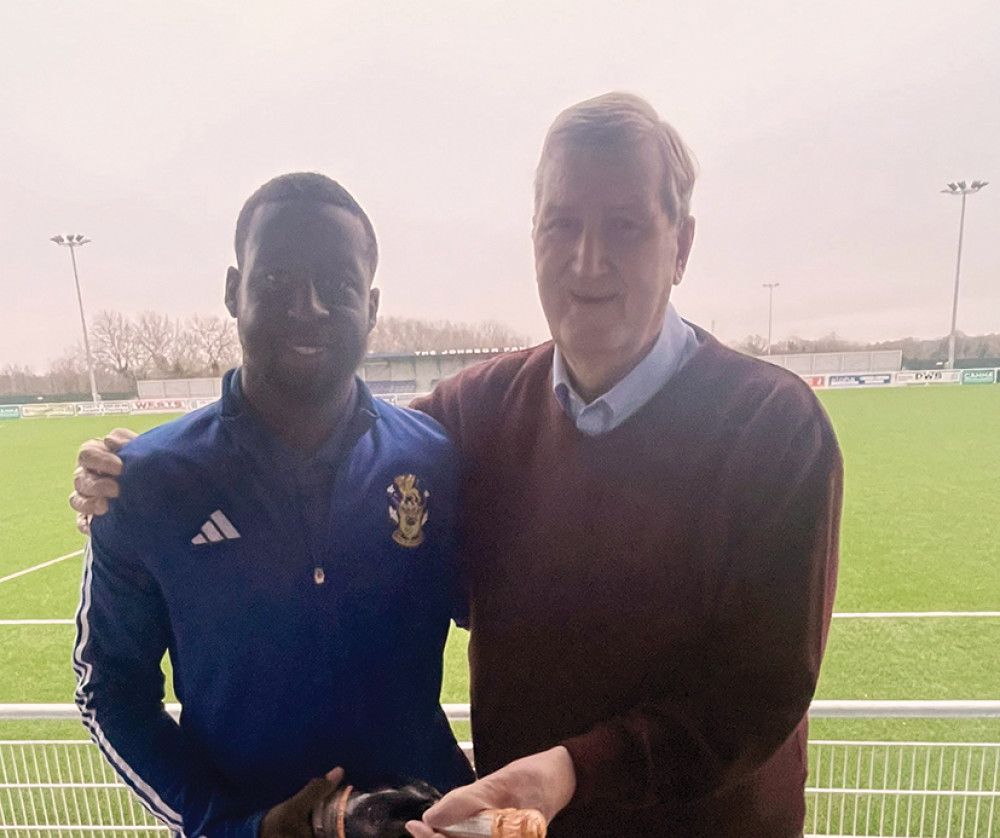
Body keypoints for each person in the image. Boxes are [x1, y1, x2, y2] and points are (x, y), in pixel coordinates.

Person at [73, 93, 842, 838]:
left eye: (627, 226)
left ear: (683, 244)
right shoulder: (472, 417)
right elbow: (321, 439)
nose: (588, 257)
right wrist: (135, 471)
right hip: (500, 827)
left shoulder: (772, 426)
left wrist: (570, 771)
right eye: (562, 223)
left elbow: (760, 693)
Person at [71, 172, 474, 838]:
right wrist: (235, 826)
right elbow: (109, 689)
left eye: (337, 287)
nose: (307, 307)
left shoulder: (431, 458)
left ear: (371, 306)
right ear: (233, 291)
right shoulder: (146, 481)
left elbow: (501, 609)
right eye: (276, 281)